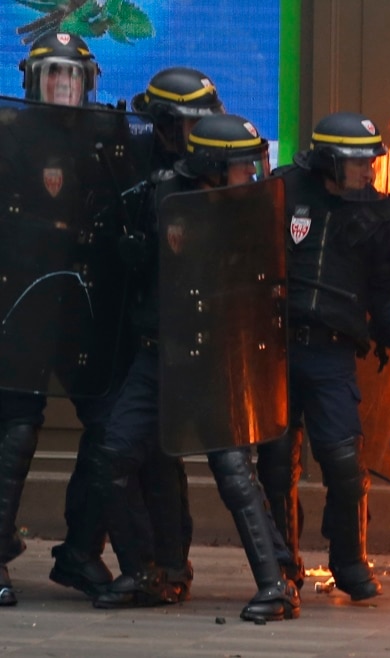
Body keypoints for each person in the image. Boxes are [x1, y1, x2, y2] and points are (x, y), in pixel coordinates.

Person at [88, 114, 300, 621]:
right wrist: (135, 255)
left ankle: (276, 585)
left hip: (216, 351)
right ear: (211, 165)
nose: (250, 176)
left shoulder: (249, 208)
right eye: (240, 167)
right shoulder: (160, 196)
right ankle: (143, 571)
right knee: (112, 455)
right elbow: (129, 268)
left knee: (232, 471)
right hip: (158, 350)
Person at [267, 111, 390, 600]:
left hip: (332, 354)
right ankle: (281, 563)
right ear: (329, 161)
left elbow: (383, 295)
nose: (369, 170)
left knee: (343, 460)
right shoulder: (280, 193)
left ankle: (350, 560)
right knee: (275, 463)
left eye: (372, 160)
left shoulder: (384, 217)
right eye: (359, 162)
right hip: (274, 347)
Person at [1, 31, 126, 607]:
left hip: (85, 307)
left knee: (111, 424)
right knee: (17, 429)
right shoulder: (9, 135)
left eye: (72, 75)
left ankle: (80, 552)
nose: (63, 84)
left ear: (88, 82)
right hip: (20, 301)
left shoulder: (109, 137)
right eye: (52, 74)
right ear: (33, 80)